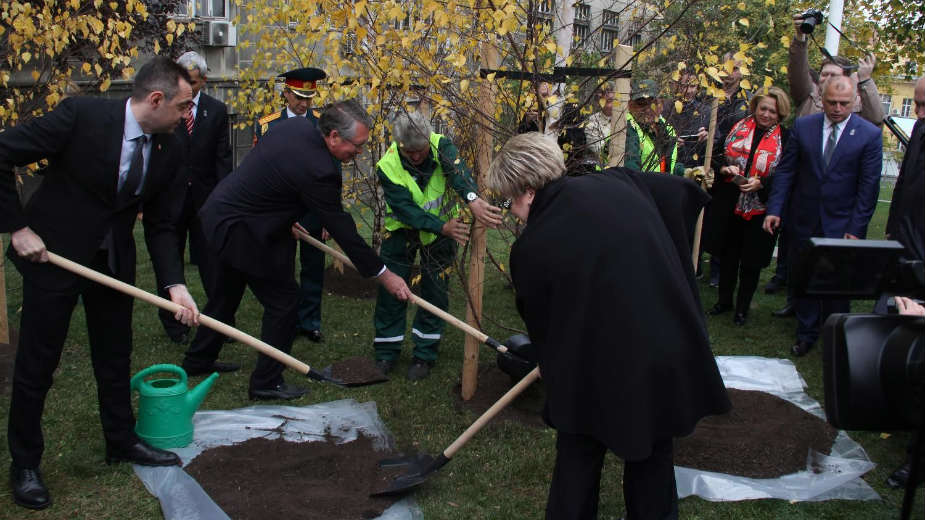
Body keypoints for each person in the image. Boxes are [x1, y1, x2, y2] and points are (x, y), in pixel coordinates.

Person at [486, 133, 730, 519]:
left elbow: (545, 328)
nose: (512, 211)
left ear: (528, 192)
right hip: (666, 343)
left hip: (598, 369)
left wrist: (548, 364)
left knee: (579, 449)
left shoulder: (531, 249)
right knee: (652, 452)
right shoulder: (620, 180)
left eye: (509, 200)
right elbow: (679, 193)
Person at [0, 57, 200, 511]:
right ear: (156, 99)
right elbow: (2, 151)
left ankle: (120, 439)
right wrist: (16, 227)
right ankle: (26, 463)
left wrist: (174, 284)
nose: (188, 113)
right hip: (54, 255)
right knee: (37, 363)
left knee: (114, 355)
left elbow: (164, 224)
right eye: (183, 105)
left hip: (112, 262)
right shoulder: (81, 116)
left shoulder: (172, 147)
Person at [182, 100, 412, 400]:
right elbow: (343, 229)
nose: (359, 153)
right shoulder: (319, 169)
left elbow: (274, 179)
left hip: (221, 215)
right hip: (243, 232)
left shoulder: (294, 127)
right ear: (332, 136)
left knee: (226, 294)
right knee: (284, 303)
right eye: (357, 145)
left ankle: (198, 359)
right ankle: (266, 381)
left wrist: (285, 218)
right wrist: (384, 275)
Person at [372, 111, 502, 380]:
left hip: (442, 237)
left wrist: (472, 198)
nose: (416, 156)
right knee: (391, 292)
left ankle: (424, 355)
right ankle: (386, 353)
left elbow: (458, 172)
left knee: (435, 291)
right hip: (401, 233)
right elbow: (405, 209)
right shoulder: (387, 165)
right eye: (410, 152)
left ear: (426, 140)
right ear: (400, 146)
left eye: (420, 150)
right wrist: (442, 226)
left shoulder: (441, 145)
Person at [763, 75, 882, 357]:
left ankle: (836, 336)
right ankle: (806, 333)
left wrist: (856, 227)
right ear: (822, 100)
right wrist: (775, 209)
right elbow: (787, 171)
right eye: (831, 102)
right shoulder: (804, 127)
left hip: (842, 224)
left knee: (838, 286)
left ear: (855, 101)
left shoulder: (869, 135)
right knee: (804, 279)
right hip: (804, 219)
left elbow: (868, 189)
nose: (838, 108)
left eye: (844, 103)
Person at [157, 51, 233, 345]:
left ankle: (221, 322)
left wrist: (222, 200)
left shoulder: (216, 110)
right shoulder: (167, 108)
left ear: (204, 79)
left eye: (194, 81)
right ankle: (174, 323)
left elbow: (222, 159)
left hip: (206, 202)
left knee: (213, 263)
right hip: (171, 201)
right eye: (183, 80)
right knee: (170, 261)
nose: (189, 86)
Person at [254, 67, 329, 344]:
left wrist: (327, 217)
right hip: (279, 209)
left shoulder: (322, 123)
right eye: (299, 96)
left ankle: (310, 322)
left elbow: (330, 171)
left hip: (311, 208)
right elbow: (260, 169)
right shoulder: (267, 124)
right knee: (280, 266)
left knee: (313, 267)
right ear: (285, 93)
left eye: (309, 97)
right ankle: (284, 319)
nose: (304, 103)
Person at [705, 87, 790, 326]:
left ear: (780, 113)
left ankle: (742, 309)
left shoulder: (787, 137)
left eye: (772, 111)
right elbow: (715, 154)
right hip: (730, 203)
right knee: (727, 257)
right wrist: (724, 168)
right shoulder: (736, 126)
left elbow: (786, 175)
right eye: (762, 108)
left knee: (751, 263)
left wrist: (761, 183)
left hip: (760, 209)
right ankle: (723, 302)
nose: (765, 114)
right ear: (755, 107)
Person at [788, 14, 884, 125]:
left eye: (833, 75)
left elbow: (876, 119)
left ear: (845, 80)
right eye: (824, 74)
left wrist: (866, 80)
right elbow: (797, 71)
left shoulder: (857, 104)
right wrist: (800, 37)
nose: (828, 78)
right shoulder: (808, 97)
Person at [625, 79, 686, 176]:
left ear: (661, 104)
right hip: (639, 188)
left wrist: (687, 173)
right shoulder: (627, 129)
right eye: (641, 103)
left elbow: (669, 165)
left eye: (653, 103)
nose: (648, 109)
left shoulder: (667, 129)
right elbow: (630, 171)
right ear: (630, 105)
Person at [662, 69, 708, 167]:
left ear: (698, 88)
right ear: (677, 86)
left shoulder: (706, 111)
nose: (688, 91)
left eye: (692, 86)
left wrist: (707, 138)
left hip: (696, 166)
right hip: (670, 165)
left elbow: (717, 143)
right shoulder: (666, 108)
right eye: (684, 86)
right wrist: (671, 142)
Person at [585, 86, 615, 162]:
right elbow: (599, 152)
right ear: (599, 101)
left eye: (616, 100)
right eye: (610, 101)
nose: (608, 95)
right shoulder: (592, 124)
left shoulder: (628, 117)